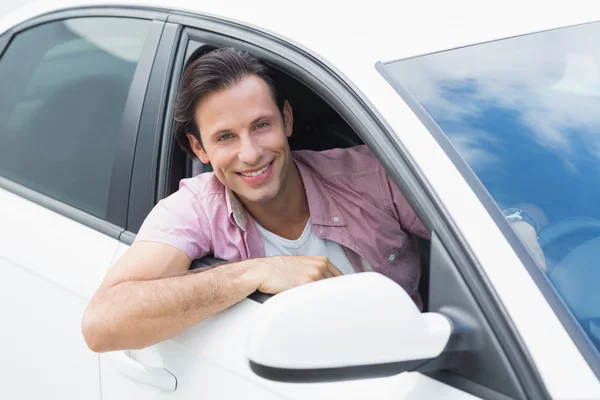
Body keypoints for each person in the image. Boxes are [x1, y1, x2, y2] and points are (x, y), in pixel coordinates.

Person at [81, 48, 430, 353]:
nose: (250, 154)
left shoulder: (371, 177)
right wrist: (251, 274)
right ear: (200, 148)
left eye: (261, 125)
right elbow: (102, 322)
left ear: (287, 119)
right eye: (225, 137)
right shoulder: (198, 208)